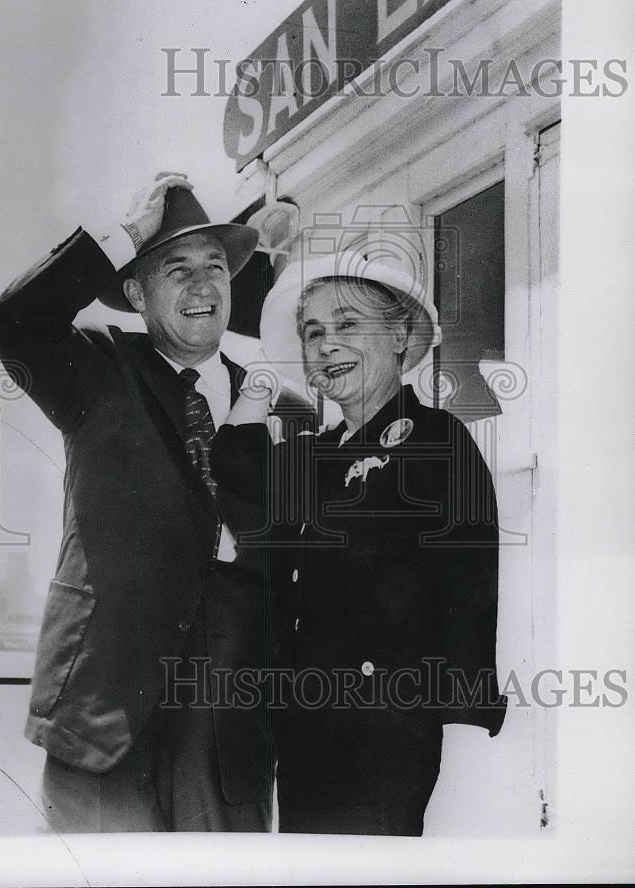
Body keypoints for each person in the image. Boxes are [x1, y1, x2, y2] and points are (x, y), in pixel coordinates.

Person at [0, 173, 274, 833]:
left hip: (226, 724)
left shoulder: (280, 406)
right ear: (136, 293)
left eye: (216, 269)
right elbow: (19, 322)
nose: (203, 286)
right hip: (105, 708)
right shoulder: (95, 367)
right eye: (176, 268)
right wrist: (126, 234)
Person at [212, 249, 507, 836]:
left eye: (348, 325)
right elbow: (236, 459)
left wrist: (469, 732)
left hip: (387, 733)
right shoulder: (320, 454)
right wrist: (268, 375)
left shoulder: (437, 441)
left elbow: (469, 591)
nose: (326, 345)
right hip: (308, 724)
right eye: (313, 333)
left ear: (399, 335)